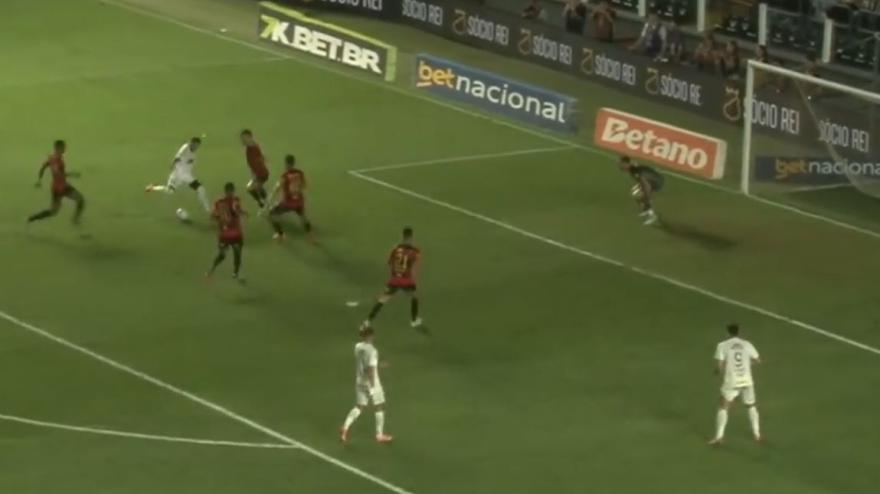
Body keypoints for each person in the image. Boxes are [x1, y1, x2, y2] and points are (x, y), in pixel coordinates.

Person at [709, 323, 762, 445]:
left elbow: (719, 367)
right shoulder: (747, 344)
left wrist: (717, 372)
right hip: (747, 380)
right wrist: (747, 364)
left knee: (723, 406)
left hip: (732, 380)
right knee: (751, 405)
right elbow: (758, 360)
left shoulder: (722, 345)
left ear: (727, 333)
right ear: (738, 332)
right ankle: (757, 435)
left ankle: (719, 437)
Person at [362, 227, 423, 330]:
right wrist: (413, 281)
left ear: (402, 236)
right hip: (406, 280)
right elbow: (414, 266)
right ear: (411, 237)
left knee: (382, 300)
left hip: (394, 279)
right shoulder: (415, 251)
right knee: (414, 297)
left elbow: (389, 263)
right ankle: (414, 321)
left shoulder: (396, 248)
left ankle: (367, 321)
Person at [340, 326, 393, 444]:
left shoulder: (358, 347)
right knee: (379, 405)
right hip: (371, 382)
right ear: (371, 336)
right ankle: (379, 435)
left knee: (359, 406)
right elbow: (370, 369)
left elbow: (365, 363)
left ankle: (345, 427)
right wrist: (373, 387)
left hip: (359, 380)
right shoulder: (373, 351)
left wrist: (379, 365)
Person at [145, 136, 211, 213]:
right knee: (170, 191)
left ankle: (208, 210)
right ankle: (153, 187)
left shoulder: (193, 152)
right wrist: (172, 165)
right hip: (177, 175)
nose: (196, 147)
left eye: (198, 145)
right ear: (191, 143)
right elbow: (177, 157)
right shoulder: (185, 148)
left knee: (201, 189)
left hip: (187, 176)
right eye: (195, 145)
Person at [27, 139, 86, 225]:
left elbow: (43, 167)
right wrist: (73, 174)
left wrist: (39, 180)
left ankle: (32, 219)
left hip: (57, 187)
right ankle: (75, 220)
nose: (65, 149)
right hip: (61, 187)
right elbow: (57, 174)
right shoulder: (56, 160)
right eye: (63, 147)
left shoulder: (52, 158)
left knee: (53, 211)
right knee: (80, 200)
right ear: (58, 148)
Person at [265, 154, 314, 242]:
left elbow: (278, 187)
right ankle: (311, 236)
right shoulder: (300, 173)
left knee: (272, 214)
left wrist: (270, 197)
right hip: (299, 201)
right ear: (294, 163)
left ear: (286, 164)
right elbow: (304, 185)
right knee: (303, 217)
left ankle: (280, 234)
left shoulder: (285, 175)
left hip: (288, 203)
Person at [207, 182, 246, 283]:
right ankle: (212, 269)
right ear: (227, 191)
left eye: (231, 191)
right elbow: (213, 215)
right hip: (226, 233)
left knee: (237, 253)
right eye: (230, 192)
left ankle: (236, 273)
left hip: (235, 232)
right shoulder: (225, 202)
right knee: (222, 255)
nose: (231, 193)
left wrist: (242, 213)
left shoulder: (222, 202)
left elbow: (213, 216)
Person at [619, 156, 662, 226]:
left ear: (626, 164)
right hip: (651, 180)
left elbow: (646, 185)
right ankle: (646, 209)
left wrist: (647, 195)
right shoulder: (633, 168)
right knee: (635, 193)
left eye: (621, 164)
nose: (620, 165)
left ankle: (652, 215)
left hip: (656, 182)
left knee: (640, 194)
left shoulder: (635, 171)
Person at [240, 129, 269, 208]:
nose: (242, 140)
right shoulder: (250, 148)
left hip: (261, 173)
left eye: (244, 138)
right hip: (257, 173)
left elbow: (253, 145)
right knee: (254, 188)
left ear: (249, 137)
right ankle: (263, 202)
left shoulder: (252, 146)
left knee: (251, 188)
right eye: (242, 138)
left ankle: (264, 202)